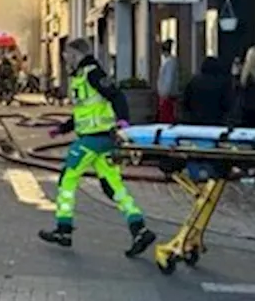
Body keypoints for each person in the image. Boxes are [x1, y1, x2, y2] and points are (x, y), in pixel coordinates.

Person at [39, 38, 156, 257]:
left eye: (68, 55)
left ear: (77, 55)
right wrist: (63, 129)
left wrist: (123, 121)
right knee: (113, 186)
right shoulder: (82, 76)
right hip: (101, 141)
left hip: (92, 141)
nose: (65, 59)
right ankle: (139, 228)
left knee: (67, 178)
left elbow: (116, 95)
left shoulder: (93, 74)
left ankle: (63, 229)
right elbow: (86, 111)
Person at [181, 56, 234, 127]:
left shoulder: (194, 81)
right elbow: (227, 104)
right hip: (216, 121)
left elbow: (185, 102)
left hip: (195, 121)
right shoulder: (222, 83)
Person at [156, 40, 179, 124]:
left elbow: (168, 79)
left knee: (166, 117)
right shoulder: (169, 62)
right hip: (166, 95)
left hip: (166, 96)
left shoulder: (169, 63)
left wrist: (164, 93)